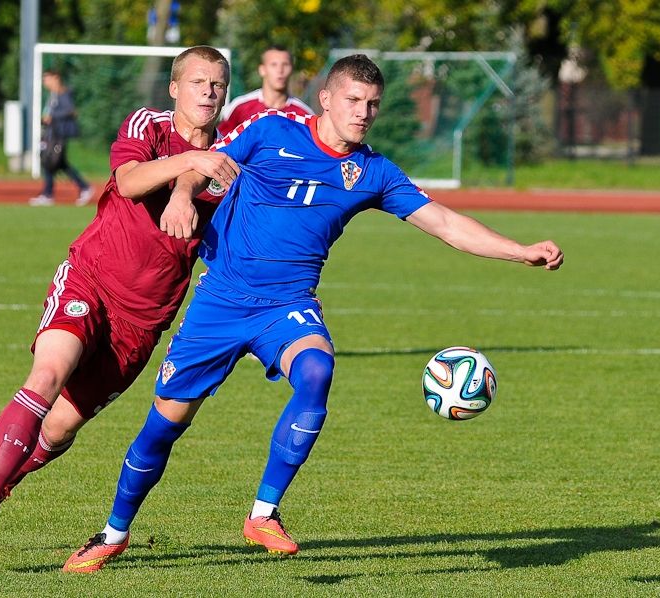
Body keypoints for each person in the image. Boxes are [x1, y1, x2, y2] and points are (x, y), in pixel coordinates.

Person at [62, 53, 564, 573]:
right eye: (353, 100)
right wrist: (182, 196)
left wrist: (519, 250)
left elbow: (444, 223)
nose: (363, 112)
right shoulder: (270, 131)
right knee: (164, 427)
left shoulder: (374, 172)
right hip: (222, 300)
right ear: (326, 99)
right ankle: (113, 533)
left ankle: (263, 513)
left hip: (289, 304)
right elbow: (203, 165)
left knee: (318, 368)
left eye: (372, 104)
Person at [0, 46, 240, 547]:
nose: (209, 92)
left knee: (62, 428)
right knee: (47, 376)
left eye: (218, 83)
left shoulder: (230, 156)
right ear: (174, 88)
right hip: (92, 279)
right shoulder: (148, 126)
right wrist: (188, 165)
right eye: (198, 82)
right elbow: (129, 182)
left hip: (145, 319)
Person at [29, 69, 95, 207]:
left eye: (47, 78)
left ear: (56, 78)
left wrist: (53, 117)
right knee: (58, 163)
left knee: (50, 161)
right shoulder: (53, 95)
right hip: (52, 133)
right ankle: (82, 187)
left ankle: (49, 194)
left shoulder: (62, 93)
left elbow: (72, 111)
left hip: (58, 135)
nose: (45, 82)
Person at [216, 45, 313, 136]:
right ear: (262, 70)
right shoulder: (239, 107)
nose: (280, 70)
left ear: (292, 69)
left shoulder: (304, 114)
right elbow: (221, 143)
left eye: (285, 64)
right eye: (274, 65)